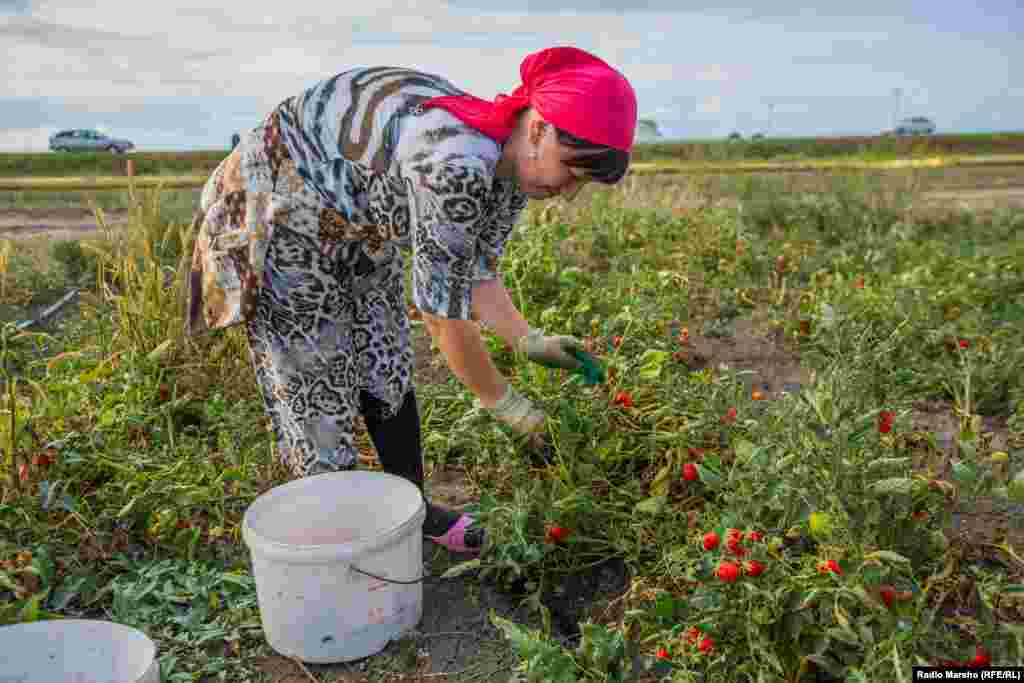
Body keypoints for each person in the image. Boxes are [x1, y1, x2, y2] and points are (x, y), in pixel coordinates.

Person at [185, 46, 637, 554]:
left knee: (387, 365)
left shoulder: (512, 170)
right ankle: (341, 547)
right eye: (572, 172)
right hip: (281, 215)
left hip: (358, 224)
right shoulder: (457, 163)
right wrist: (506, 404)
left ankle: (412, 513)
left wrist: (527, 339)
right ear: (538, 130)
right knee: (319, 393)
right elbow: (441, 315)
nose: (570, 191)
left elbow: (477, 273)